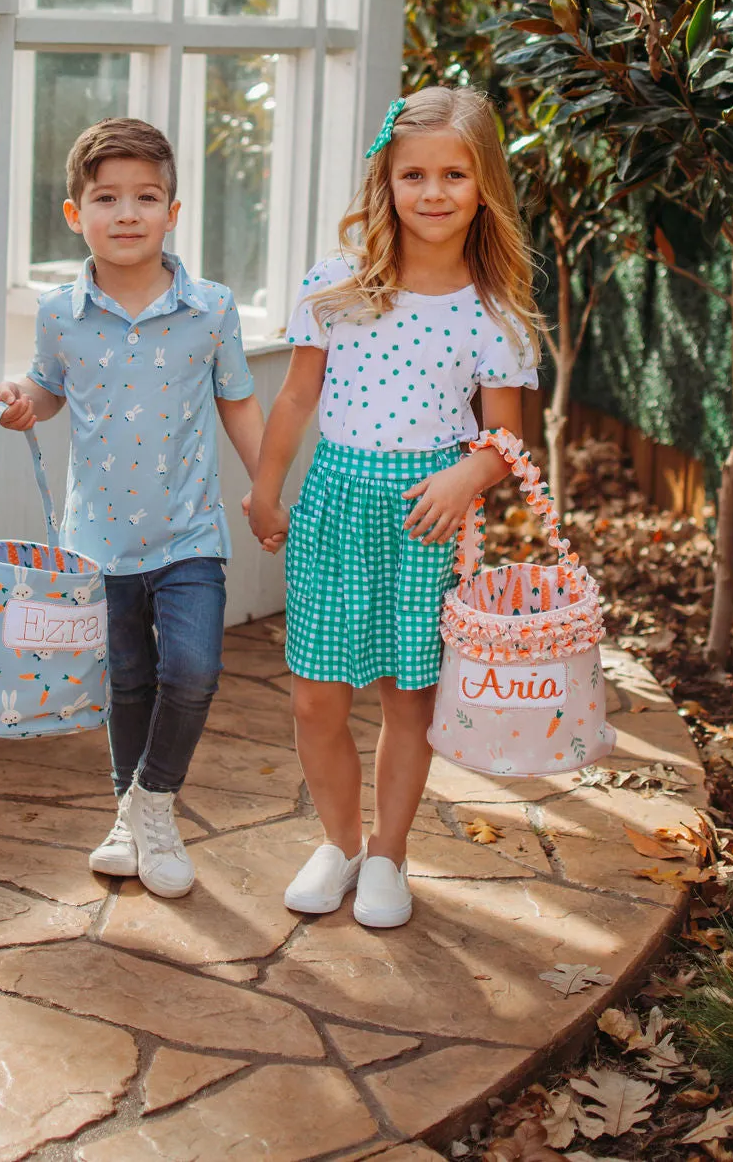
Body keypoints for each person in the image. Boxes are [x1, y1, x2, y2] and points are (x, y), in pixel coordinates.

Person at [248, 87, 541, 928]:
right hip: (334, 506)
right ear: (387, 180)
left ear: (484, 184)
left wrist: (465, 477)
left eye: (455, 173)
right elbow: (297, 399)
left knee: (407, 698)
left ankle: (389, 856)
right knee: (316, 697)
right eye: (414, 174)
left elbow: (504, 442)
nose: (434, 192)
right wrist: (266, 491)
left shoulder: (495, 310)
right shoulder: (336, 284)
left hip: (426, 522)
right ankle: (339, 845)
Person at [0, 116, 267, 899]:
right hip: (98, 544)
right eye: (106, 198)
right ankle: (129, 817)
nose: (127, 213)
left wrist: (269, 490)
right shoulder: (59, 312)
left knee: (194, 670)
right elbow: (47, 391)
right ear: (76, 213)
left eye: (146, 197)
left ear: (173, 212)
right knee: (128, 683)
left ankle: (152, 800)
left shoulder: (211, 309)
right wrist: (22, 398)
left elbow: (240, 405)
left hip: (189, 535)